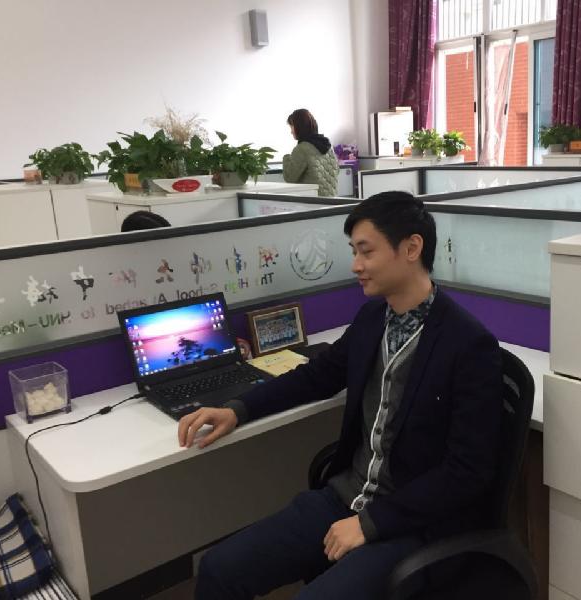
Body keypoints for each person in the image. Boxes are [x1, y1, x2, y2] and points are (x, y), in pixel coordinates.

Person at [178, 191, 503, 600]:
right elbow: (318, 376)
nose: (356, 265)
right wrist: (238, 409)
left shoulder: (468, 344)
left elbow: (467, 472)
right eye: (354, 251)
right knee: (219, 569)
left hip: (414, 522)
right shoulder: (374, 318)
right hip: (345, 497)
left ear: (411, 248)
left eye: (366, 251)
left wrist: (371, 523)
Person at [282, 108, 340, 197]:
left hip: (313, 202)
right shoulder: (328, 146)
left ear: (299, 126)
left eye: (292, 127)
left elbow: (290, 177)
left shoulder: (302, 149)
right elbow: (336, 171)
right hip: (332, 201)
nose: (291, 132)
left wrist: (286, 158)